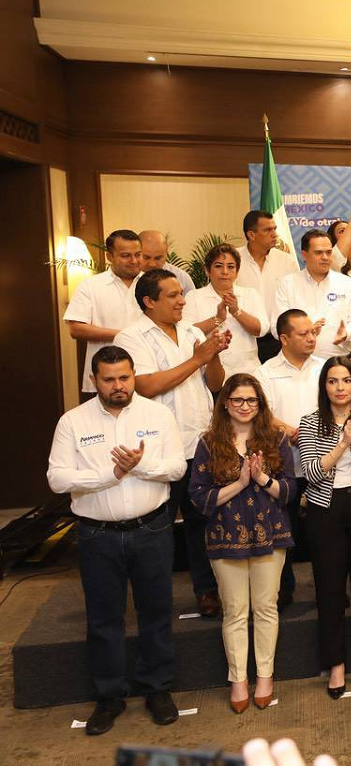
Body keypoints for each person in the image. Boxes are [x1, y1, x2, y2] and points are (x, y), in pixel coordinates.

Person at [47, 346, 185, 736]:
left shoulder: (158, 415)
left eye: (124, 377)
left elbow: (176, 468)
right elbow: (57, 478)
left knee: (156, 612)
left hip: (151, 529)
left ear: (133, 374)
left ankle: (158, 690)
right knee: (104, 618)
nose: (118, 385)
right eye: (109, 380)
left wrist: (140, 466)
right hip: (97, 535)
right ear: (94, 380)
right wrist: (110, 475)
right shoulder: (72, 422)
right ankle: (109, 697)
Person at [115, 268, 228, 616]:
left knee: (202, 523)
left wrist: (213, 355)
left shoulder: (192, 330)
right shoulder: (131, 337)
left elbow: (215, 383)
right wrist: (198, 358)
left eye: (182, 293)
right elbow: (146, 385)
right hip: (158, 450)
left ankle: (207, 592)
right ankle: (154, 600)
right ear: (149, 302)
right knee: (158, 527)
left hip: (200, 443)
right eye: (173, 295)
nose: (182, 301)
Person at [189, 374, 295, 713]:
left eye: (251, 400)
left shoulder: (276, 439)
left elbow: (289, 491)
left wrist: (260, 478)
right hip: (225, 539)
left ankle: (264, 676)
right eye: (237, 400)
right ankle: (238, 679)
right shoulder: (209, 442)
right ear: (225, 404)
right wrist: (240, 482)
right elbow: (198, 496)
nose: (245, 406)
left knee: (265, 608)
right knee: (234, 612)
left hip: (270, 536)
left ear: (260, 404)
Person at [298, 356, 351, 697]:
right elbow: (311, 473)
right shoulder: (310, 422)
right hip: (326, 509)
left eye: (346, 380)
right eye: (333, 381)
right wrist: (342, 444)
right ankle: (335, 663)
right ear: (324, 386)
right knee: (330, 589)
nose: (340, 387)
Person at [255, 309, 324, 608]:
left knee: (324, 532)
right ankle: (283, 590)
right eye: (303, 333)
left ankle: (328, 588)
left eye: (313, 332)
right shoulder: (265, 372)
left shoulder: (324, 368)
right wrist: (293, 431)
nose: (311, 338)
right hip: (283, 464)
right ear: (284, 338)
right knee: (283, 529)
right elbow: (261, 412)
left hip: (322, 463)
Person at [65, 229, 143, 394]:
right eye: (126, 255)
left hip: (147, 373)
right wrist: (124, 335)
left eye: (138, 254)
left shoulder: (153, 284)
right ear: (109, 256)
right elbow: (76, 329)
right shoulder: (90, 286)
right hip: (105, 379)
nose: (134, 261)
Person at [272, 229, 351, 359]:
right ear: (304, 255)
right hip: (299, 361)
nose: (325, 257)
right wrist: (304, 332)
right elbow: (276, 327)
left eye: (328, 252)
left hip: (338, 361)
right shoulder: (287, 284)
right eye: (318, 253)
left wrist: (346, 332)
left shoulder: (346, 283)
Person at [181, 244, 269, 375]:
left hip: (249, 371)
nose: (225, 272)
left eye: (231, 267)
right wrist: (217, 319)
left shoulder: (250, 294)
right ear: (207, 270)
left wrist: (236, 311)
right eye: (218, 266)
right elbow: (186, 334)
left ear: (237, 272)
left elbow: (261, 330)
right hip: (210, 372)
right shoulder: (194, 296)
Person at [237, 211, 300, 364]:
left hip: (278, 339)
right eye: (267, 230)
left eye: (274, 228)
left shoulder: (287, 261)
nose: (274, 234)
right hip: (243, 336)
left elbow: (295, 300)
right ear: (251, 235)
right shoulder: (233, 260)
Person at [138, 230, 196, 294]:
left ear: (166, 252)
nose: (152, 264)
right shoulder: (129, 276)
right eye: (146, 257)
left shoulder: (181, 278)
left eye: (158, 258)